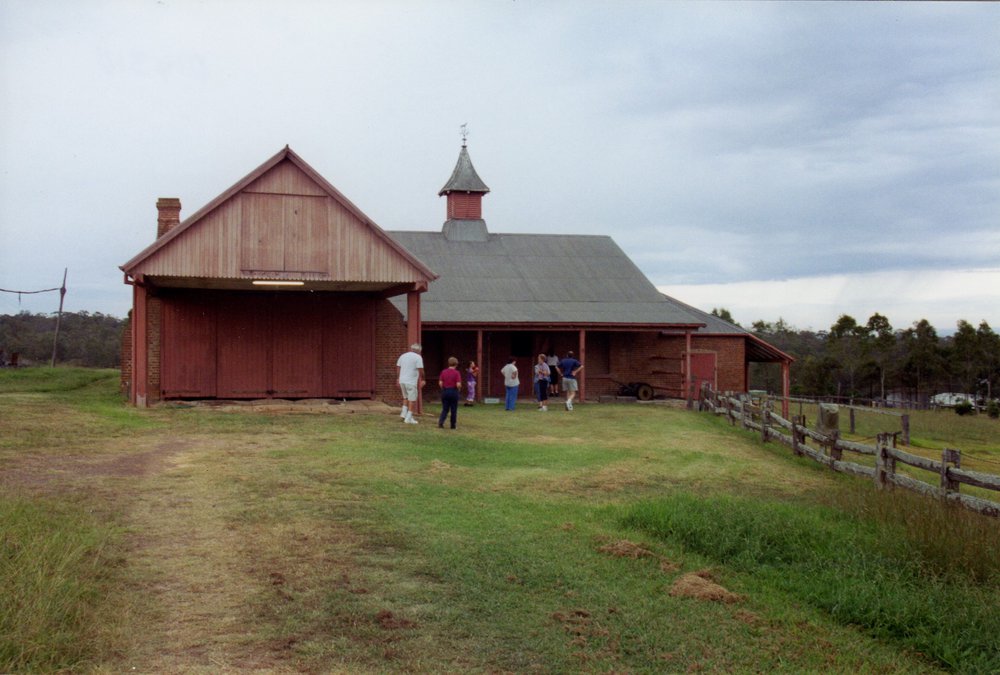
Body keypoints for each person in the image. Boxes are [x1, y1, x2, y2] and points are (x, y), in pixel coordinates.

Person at [395, 343, 425, 424]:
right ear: (419, 350)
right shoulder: (418, 357)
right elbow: (421, 370)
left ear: (411, 349)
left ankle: (404, 413)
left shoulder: (403, 356)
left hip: (402, 380)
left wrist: (398, 378)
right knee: (412, 400)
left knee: (405, 397)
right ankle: (408, 418)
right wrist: (423, 380)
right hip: (411, 381)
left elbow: (398, 367)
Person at [438, 356, 462, 429]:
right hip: (453, 391)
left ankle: (441, 422)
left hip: (445, 391)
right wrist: (459, 388)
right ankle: (453, 425)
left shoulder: (443, 372)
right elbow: (458, 384)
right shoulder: (457, 373)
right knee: (453, 409)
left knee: (445, 408)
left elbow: (440, 383)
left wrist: (443, 389)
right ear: (456, 364)